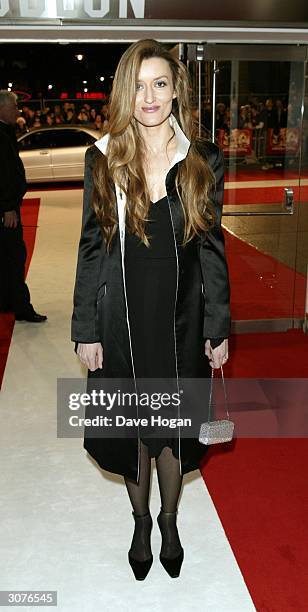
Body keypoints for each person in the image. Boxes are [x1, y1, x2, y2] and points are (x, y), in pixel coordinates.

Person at [71, 39, 230, 581]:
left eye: (159, 83)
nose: (149, 96)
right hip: (123, 318)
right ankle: (140, 522)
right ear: (125, 91)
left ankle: (169, 519)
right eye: (138, 85)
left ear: (175, 89)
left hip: (181, 317)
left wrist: (217, 324)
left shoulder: (202, 159)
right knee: (135, 426)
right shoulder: (104, 156)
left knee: (173, 426)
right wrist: (86, 327)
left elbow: (211, 248)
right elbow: (91, 248)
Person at [0, 90, 47, 322]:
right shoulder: (1, 134)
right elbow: (3, 174)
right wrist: (8, 206)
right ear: (3, 109)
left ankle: (7, 301)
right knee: (15, 257)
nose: (17, 111)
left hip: (7, 205)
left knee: (8, 256)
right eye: (14, 107)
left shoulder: (5, 132)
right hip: (6, 209)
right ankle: (20, 306)